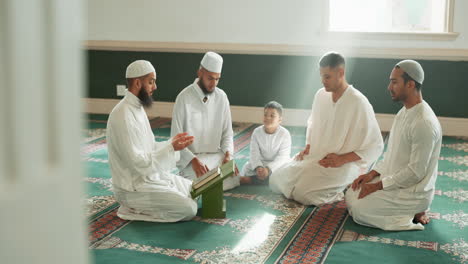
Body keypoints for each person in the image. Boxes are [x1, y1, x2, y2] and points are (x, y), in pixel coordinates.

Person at [269, 51, 384, 206]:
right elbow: (314, 124)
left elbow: (376, 145)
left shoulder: (358, 101)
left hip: (345, 164)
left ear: (341, 73)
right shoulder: (320, 95)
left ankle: (341, 190)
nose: (323, 81)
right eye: (321, 76)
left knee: (304, 195)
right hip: (317, 157)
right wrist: (309, 147)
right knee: (275, 179)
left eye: (327, 76)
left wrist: (341, 159)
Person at [345, 59, 442, 231]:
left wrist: (377, 185)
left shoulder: (423, 123)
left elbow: (415, 173)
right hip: (395, 178)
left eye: (394, 82)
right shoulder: (403, 112)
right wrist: (371, 175)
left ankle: (413, 211)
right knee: (352, 192)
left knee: (359, 209)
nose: (389, 87)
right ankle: (405, 210)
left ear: (410, 84)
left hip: (413, 191)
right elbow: (391, 155)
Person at [107, 60, 197, 222]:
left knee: (196, 191)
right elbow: (137, 163)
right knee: (188, 208)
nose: (154, 87)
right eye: (151, 82)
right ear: (137, 82)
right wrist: (170, 148)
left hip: (149, 178)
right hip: (132, 189)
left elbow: (150, 148)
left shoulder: (137, 108)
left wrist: (172, 144)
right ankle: (132, 209)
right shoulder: (122, 114)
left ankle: (154, 202)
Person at [171, 51, 239, 191]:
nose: (213, 83)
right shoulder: (184, 98)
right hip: (191, 160)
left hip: (216, 157)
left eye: (217, 79)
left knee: (233, 175)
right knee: (194, 185)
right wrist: (193, 161)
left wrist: (228, 155)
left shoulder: (222, 97)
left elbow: (227, 133)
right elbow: (175, 139)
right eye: (210, 78)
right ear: (200, 72)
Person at [240, 101, 292, 185]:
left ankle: (250, 180)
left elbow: (283, 157)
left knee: (287, 173)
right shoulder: (257, 132)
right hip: (260, 164)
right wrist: (258, 167)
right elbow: (254, 153)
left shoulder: (285, 134)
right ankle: (263, 180)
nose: (267, 118)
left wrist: (268, 169)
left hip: (277, 165)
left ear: (280, 120)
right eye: (265, 115)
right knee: (247, 168)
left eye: (272, 116)